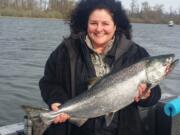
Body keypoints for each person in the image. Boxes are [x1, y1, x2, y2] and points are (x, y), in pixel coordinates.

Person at [39, 0, 161, 135]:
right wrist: (58, 100)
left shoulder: (135, 53)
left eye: (105, 23)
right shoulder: (66, 51)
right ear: (86, 23)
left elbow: (155, 95)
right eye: (93, 23)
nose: (99, 29)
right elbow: (48, 82)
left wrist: (147, 96)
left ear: (115, 26)